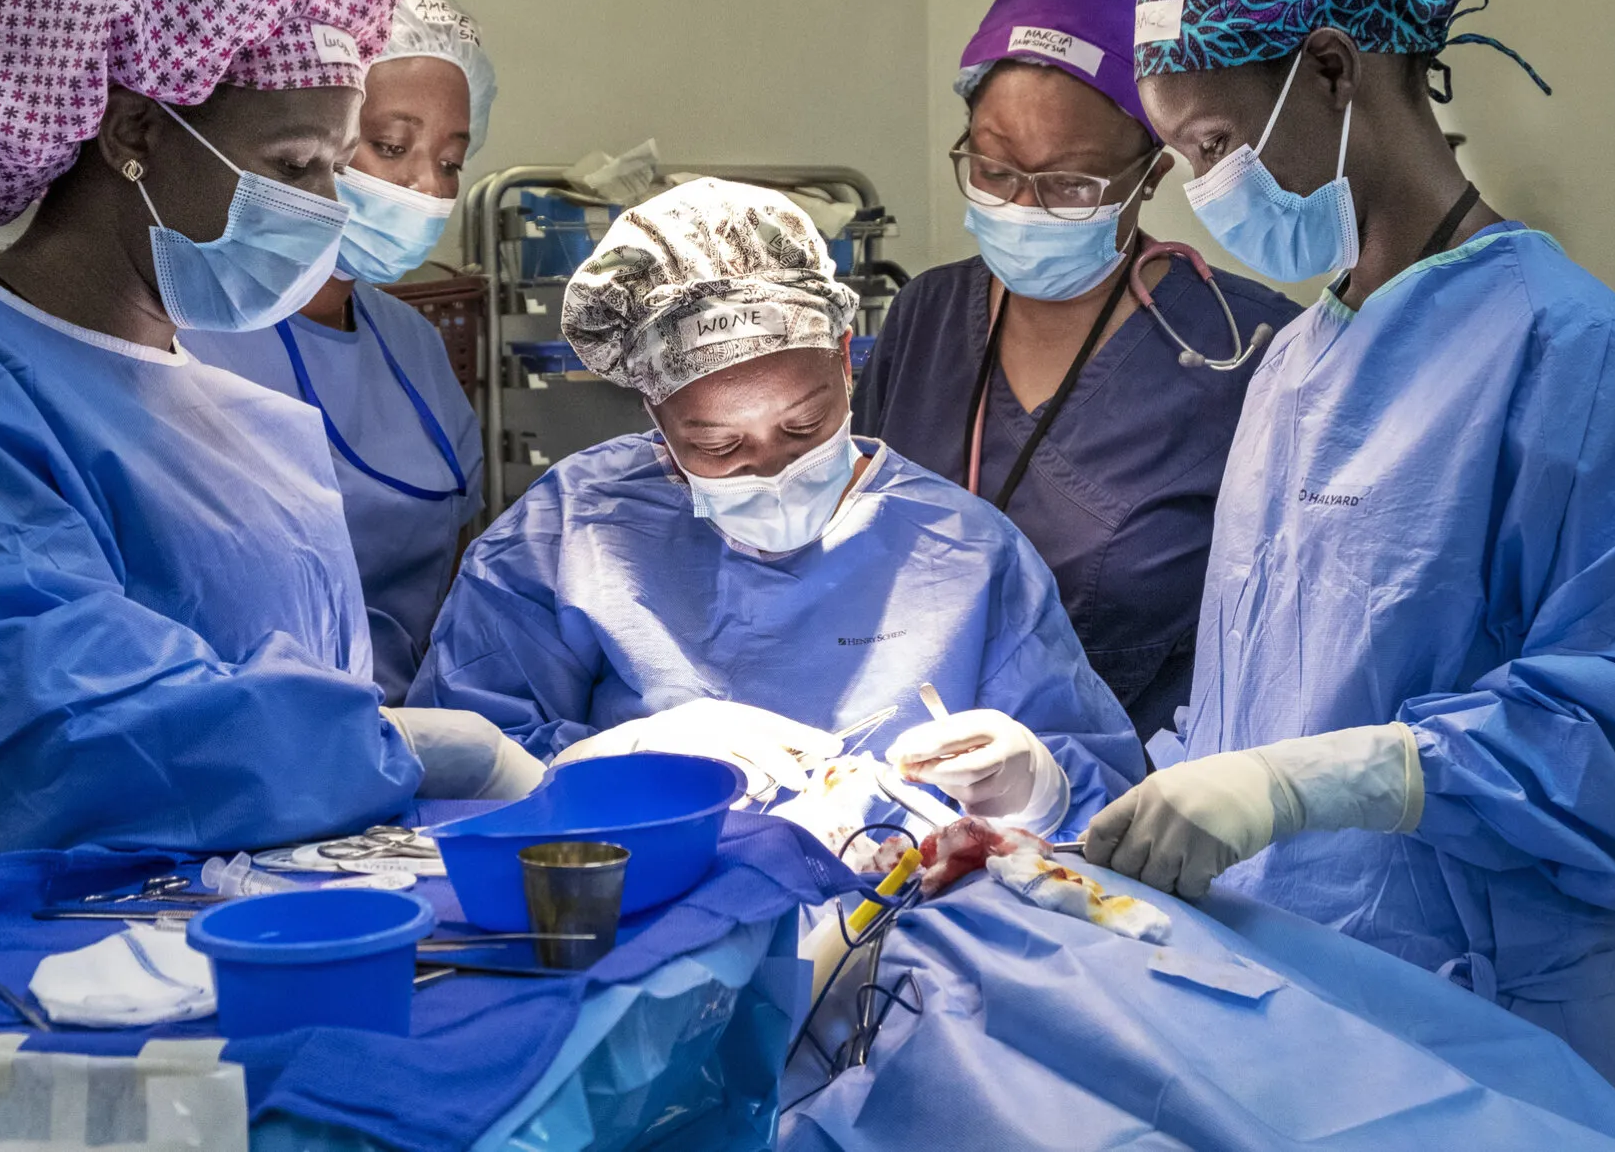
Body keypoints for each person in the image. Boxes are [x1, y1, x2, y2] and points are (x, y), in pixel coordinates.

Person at [1081, 0, 1615, 1150]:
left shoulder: (1575, 350)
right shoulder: (1294, 361)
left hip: (1499, 1033)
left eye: (1212, 143)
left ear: (1331, 69)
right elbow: (1260, 699)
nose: (1198, 188)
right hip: (1295, 1006)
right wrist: (1090, 785)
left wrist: (1334, 775)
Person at [0, 0, 539, 921]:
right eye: (299, 161)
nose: (328, 208)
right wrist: (413, 747)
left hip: (230, 946)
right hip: (0, 983)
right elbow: (40, 734)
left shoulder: (218, 404)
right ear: (134, 132)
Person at [406, 177, 1143, 834]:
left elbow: (1109, 805)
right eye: (718, 446)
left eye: (803, 426)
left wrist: (1037, 786)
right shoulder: (571, 531)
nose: (772, 468)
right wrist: (622, 759)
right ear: (653, 411)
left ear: (849, 360)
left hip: (910, 922)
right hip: (646, 916)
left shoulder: (964, 551)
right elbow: (458, 769)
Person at [854, 0, 1300, 742]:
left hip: (1133, 805)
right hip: (908, 774)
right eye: (992, 170)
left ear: (1151, 175)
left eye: (1068, 185)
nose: (1022, 206)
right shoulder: (924, 317)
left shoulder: (1250, 350)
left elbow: (1289, 641)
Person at [180, 0, 494, 702]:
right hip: (237, 726)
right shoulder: (191, 327)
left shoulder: (413, 342)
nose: (427, 187)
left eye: (450, 160)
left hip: (410, 726)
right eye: (390, 146)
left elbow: (450, 564)